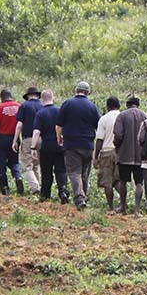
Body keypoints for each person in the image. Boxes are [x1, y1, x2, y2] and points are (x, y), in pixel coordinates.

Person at [56, 81, 100, 209]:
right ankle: (83, 195)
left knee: (74, 172)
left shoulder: (67, 104)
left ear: (76, 90)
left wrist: (59, 138)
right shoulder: (92, 106)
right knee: (85, 173)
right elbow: (99, 125)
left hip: (71, 144)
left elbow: (59, 125)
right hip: (88, 144)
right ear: (88, 92)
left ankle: (79, 198)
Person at [31, 89, 69, 204]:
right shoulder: (60, 111)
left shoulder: (40, 113)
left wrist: (33, 147)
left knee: (46, 172)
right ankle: (63, 192)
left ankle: (45, 195)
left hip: (46, 147)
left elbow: (37, 132)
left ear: (42, 99)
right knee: (61, 171)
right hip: (60, 146)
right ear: (53, 97)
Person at [113, 95, 146, 215]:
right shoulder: (144, 116)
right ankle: (137, 210)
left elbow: (118, 135)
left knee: (123, 181)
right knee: (139, 183)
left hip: (124, 155)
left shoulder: (121, 116)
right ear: (138, 104)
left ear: (127, 104)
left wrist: (117, 146)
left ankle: (123, 208)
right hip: (140, 156)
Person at [0, 89, 23, 195]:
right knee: (14, 161)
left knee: (1, 165)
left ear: (1, 97)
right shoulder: (19, 106)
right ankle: (18, 177)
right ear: (11, 96)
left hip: (2, 139)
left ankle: (5, 189)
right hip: (15, 138)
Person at [12, 86, 42, 195]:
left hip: (28, 138)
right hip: (41, 139)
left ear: (28, 96)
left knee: (27, 165)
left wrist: (15, 139)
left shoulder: (24, 106)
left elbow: (20, 124)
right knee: (36, 164)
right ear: (38, 95)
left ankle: (35, 187)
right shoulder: (42, 106)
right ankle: (39, 185)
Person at [95, 96, 121, 211]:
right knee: (118, 180)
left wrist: (96, 156)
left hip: (106, 151)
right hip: (120, 152)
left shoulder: (104, 119)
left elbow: (99, 139)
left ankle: (111, 208)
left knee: (107, 181)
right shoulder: (122, 116)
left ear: (107, 106)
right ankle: (123, 204)